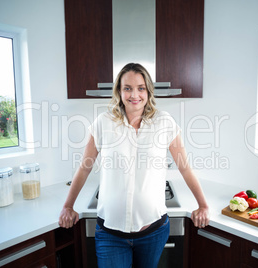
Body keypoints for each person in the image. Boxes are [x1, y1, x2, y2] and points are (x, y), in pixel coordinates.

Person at [58, 63, 209, 268]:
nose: (134, 94)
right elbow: (85, 167)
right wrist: (68, 206)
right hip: (111, 235)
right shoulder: (104, 122)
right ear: (119, 92)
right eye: (127, 88)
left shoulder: (164, 122)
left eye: (140, 88)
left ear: (148, 91)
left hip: (153, 233)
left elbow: (184, 166)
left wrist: (203, 205)